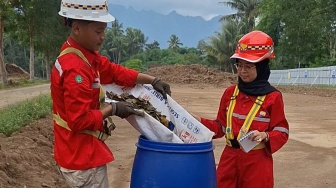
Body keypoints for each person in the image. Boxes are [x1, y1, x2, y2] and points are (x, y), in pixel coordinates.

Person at [50, 0, 171, 187]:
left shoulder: (83, 56)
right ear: (76, 28)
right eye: (98, 31)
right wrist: (113, 109)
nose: (103, 37)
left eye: (103, 30)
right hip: (81, 159)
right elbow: (78, 121)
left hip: (78, 153)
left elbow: (114, 72)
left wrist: (152, 80)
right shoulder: (76, 69)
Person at [192, 30, 289, 188]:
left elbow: (282, 131)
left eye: (249, 67)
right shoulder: (230, 93)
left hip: (256, 161)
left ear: (262, 67)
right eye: (240, 65)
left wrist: (265, 135)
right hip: (229, 159)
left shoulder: (273, 97)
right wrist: (198, 121)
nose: (243, 71)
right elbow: (220, 127)